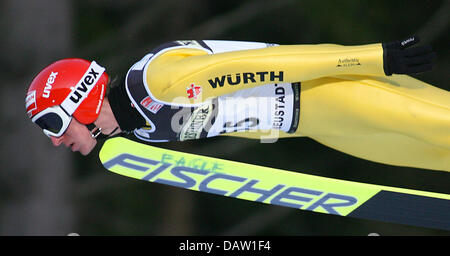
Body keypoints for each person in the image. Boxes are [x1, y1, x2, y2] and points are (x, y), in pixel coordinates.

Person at [25, 36, 450, 172]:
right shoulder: (138, 128)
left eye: (51, 124)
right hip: (319, 127)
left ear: (79, 101)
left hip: (337, 92)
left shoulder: (156, 82)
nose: (54, 141)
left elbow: (267, 62)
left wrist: (376, 57)